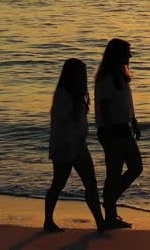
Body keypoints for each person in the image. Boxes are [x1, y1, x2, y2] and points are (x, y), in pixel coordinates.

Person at [44, 58, 105, 233]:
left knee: (91, 183)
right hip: (64, 145)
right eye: (81, 74)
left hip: (79, 144)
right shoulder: (64, 94)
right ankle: (48, 220)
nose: (84, 78)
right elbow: (65, 121)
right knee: (59, 183)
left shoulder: (77, 93)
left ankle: (99, 221)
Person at [95, 38, 141, 230]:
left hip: (123, 127)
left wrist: (134, 121)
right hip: (113, 129)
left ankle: (111, 207)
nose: (130, 55)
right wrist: (108, 132)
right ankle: (110, 208)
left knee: (130, 168)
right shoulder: (107, 78)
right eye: (127, 52)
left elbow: (125, 103)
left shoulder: (120, 76)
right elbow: (104, 107)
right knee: (120, 171)